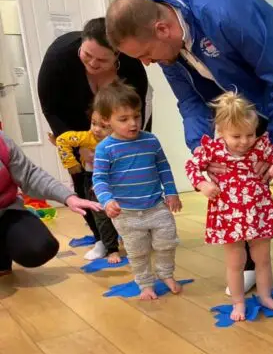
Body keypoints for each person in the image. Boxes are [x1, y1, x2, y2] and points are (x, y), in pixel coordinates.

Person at [104, 0, 273, 297]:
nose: (146, 63)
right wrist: (203, 151)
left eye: (146, 54)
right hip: (241, 107)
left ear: (163, 29)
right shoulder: (168, 52)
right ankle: (247, 266)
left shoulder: (226, 11)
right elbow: (190, 102)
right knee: (237, 182)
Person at [37, 17, 150, 260]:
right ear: (82, 44)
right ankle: (102, 239)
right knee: (85, 181)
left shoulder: (131, 66)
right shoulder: (59, 57)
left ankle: (135, 231)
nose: (92, 63)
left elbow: (137, 110)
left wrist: (129, 145)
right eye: (87, 55)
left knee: (128, 175)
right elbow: (51, 108)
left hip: (121, 121)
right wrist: (74, 145)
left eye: (102, 60)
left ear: (117, 55)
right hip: (77, 124)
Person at [186, 92, 273, 320]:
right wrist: (203, 184)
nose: (244, 141)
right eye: (236, 136)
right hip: (228, 214)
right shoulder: (212, 149)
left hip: (258, 212)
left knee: (263, 258)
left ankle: (265, 296)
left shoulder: (261, 147)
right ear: (221, 132)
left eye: (250, 134)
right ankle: (238, 303)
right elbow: (192, 166)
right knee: (235, 262)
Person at [92, 81, 182, 301]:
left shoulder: (150, 140)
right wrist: (107, 200)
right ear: (107, 120)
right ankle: (145, 284)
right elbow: (99, 179)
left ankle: (166, 273)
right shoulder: (105, 148)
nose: (133, 123)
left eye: (137, 116)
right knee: (138, 251)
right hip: (126, 213)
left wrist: (171, 192)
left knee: (167, 242)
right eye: (123, 119)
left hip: (156, 206)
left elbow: (163, 167)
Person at [0, 132, 101, 275]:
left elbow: (30, 175)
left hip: (5, 210)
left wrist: (68, 197)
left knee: (40, 247)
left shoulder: (2, 142)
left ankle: (2, 257)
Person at [55, 112, 121, 263]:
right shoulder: (86, 136)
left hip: (116, 179)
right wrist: (70, 163)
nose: (96, 129)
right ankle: (111, 248)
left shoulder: (118, 141)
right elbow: (62, 140)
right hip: (92, 179)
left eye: (103, 126)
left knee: (121, 211)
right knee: (100, 214)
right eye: (93, 123)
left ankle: (126, 239)